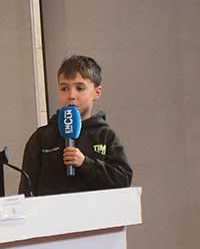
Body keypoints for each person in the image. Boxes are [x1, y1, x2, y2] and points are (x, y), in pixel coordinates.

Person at [19, 54, 133, 196]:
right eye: (64, 89)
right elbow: (26, 189)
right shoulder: (41, 137)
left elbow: (123, 179)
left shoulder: (105, 136)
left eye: (79, 88)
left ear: (97, 93)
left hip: (95, 209)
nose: (71, 95)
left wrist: (85, 163)